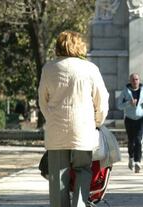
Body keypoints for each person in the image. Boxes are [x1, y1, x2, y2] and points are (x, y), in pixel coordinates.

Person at [38, 31, 109, 207]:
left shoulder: (49, 68)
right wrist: (97, 121)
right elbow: (101, 100)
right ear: (80, 46)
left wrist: (52, 117)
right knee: (83, 170)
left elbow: (42, 100)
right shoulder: (90, 68)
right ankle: (80, 204)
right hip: (83, 127)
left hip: (57, 128)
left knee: (57, 174)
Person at [117, 73, 143, 173]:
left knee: (138, 140)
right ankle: (131, 158)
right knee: (131, 141)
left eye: (136, 79)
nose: (134, 81)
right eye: (132, 80)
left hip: (141, 118)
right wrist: (128, 103)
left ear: (139, 80)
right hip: (129, 119)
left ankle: (138, 162)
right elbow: (119, 106)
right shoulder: (125, 91)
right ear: (130, 81)